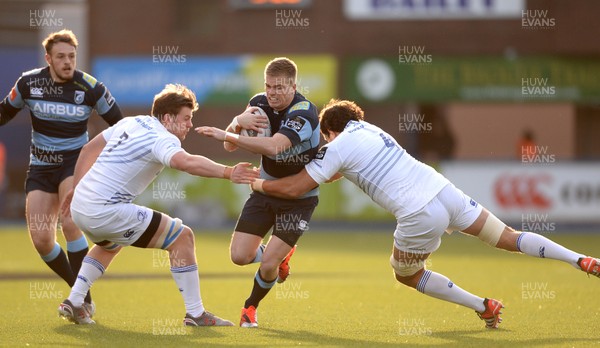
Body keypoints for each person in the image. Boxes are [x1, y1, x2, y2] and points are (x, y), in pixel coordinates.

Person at [247, 99, 600, 329]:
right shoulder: (371, 130)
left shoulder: (336, 146)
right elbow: (341, 169)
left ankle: (483, 305)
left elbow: (295, 188)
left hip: (418, 213)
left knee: (406, 274)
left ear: (330, 132)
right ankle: (580, 259)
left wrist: (258, 184)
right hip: (443, 191)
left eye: (325, 138)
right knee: (508, 237)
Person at [58, 83, 259, 325]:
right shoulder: (161, 138)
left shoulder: (132, 121)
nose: (190, 124)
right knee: (182, 237)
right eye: (186, 118)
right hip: (105, 210)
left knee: (110, 244)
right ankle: (196, 314)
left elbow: (89, 149)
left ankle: (75, 300)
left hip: (82, 205)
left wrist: (76, 188)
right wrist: (228, 172)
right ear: (167, 118)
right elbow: (186, 163)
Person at [0, 29, 123, 314]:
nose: (68, 62)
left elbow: (119, 125)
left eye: (71, 56)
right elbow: (5, 112)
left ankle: (78, 299)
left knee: (69, 222)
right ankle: (80, 294)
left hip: (74, 164)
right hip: (41, 166)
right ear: (48, 59)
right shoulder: (29, 83)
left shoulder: (91, 88)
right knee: (42, 240)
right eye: (61, 57)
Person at [196, 57, 320, 328]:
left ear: (293, 86)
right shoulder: (258, 103)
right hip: (265, 192)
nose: (272, 93)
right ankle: (279, 253)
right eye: (268, 86)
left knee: (267, 266)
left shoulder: (304, 112)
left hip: (299, 198)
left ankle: (249, 308)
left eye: (279, 87)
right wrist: (236, 122)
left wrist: (227, 134)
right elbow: (231, 148)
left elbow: (275, 147)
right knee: (239, 257)